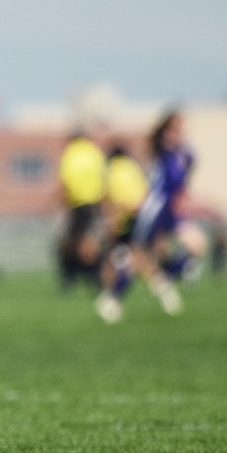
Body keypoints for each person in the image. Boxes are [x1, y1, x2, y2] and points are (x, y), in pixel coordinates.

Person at [94, 143, 182, 323]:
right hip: (145, 217)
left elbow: (117, 201)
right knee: (135, 259)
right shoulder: (133, 168)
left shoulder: (114, 171)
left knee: (131, 260)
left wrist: (113, 221)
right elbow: (144, 194)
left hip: (129, 220)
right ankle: (113, 299)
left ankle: (112, 299)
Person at [134, 109, 206, 283]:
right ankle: (114, 296)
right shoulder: (162, 151)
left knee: (198, 244)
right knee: (144, 252)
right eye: (174, 128)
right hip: (158, 207)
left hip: (174, 209)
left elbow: (185, 176)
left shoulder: (185, 154)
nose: (178, 132)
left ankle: (175, 272)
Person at [56, 131, 106, 292]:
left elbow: (66, 180)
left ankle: (82, 277)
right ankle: (88, 277)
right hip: (95, 202)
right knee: (85, 241)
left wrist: (63, 202)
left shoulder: (71, 153)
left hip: (78, 203)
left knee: (75, 243)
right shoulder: (94, 152)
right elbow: (103, 177)